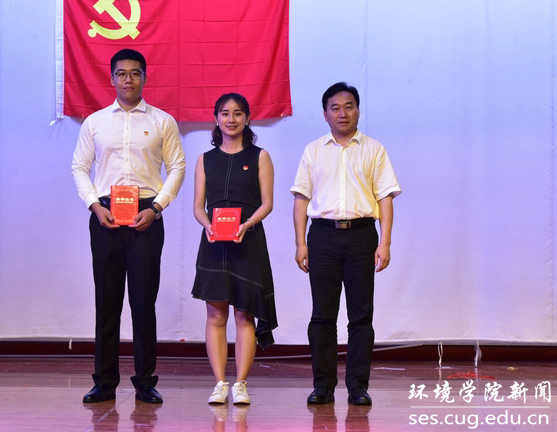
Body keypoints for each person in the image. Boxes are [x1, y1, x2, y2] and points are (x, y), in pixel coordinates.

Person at [71, 48, 186, 404]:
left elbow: (177, 167)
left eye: (135, 73)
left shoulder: (163, 121)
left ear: (145, 78)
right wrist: (94, 205)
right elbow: (79, 167)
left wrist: (157, 207)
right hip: (105, 216)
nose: (128, 79)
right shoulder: (95, 122)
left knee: (143, 302)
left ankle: (145, 381)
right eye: (121, 74)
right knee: (107, 302)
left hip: (146, 217)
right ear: (112, 78)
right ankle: (104, 381)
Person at [290, 82, 401, 406]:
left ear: (358, 111)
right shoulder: (313, 150)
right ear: (325, 114)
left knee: (361, 316)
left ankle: (357, 386)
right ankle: (323, 386)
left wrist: (385, 242)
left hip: (361, 236)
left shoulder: (374, 149)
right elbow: (301, 200)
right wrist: (300, 243)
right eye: (335, 108)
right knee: (322, 316)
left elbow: (385, 198)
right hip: (322, 237)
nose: (342, 113)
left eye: (349, 106)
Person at [192, 93, 278, 405]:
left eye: (238, 113)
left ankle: (241, 384)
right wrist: (208, 226)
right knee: (216, 314)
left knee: (244, 315)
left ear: (247, 118)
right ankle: (219, 383)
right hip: (214, 243)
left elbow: (267, 203)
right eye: (225, 113)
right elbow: (198, 206)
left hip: (248, 241)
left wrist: (247, 224)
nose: (231, 119)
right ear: (216, 119)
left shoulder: (260, 156)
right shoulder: (205, 159)